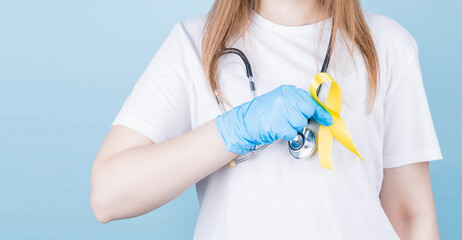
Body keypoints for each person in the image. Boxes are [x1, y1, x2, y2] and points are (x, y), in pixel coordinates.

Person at [90, 0, 443, 239]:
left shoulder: (387, 45)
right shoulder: (194, 45)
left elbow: (411, 215)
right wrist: (235, 130)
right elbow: (108, 195)